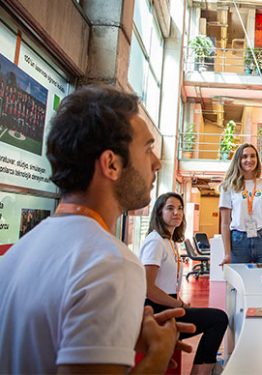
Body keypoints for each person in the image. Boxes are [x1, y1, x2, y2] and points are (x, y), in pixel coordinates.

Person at [0, 85, 194, 373]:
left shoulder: (17, 255)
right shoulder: (111, 264)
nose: (156, 163)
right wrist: (159, 353)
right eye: (148, 149)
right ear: (111, 164)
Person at [140, 192, 228, 375]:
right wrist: (179, 304)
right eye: (170, 208)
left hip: (167, 307)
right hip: (158, 314)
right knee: (218, 319)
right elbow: (149, 289)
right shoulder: (155, 242)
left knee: (216, 319)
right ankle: (203, 371)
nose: (176, 213)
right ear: (159, 213)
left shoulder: (168, 241)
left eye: (180, 208)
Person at [219, 143, 262, 265]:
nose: (249, 160)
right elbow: (225, 223)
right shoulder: (228, 187)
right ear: (238, 160)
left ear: (257, 160)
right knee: (237, 282)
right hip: (238, 240)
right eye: (244, 156)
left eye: (253, 156)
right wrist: (227, 253)